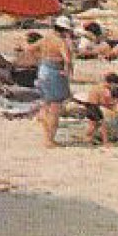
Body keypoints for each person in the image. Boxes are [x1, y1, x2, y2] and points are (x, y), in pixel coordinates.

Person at [35, 17, 75, 148]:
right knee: (55, 108)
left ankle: (46, 136)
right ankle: (49, 140)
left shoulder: (46, 38)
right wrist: (67, 71)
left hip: (43, 69)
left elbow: (32, 48)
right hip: (54, 73)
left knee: (47, 105)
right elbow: (67, 59)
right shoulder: (60, 42)